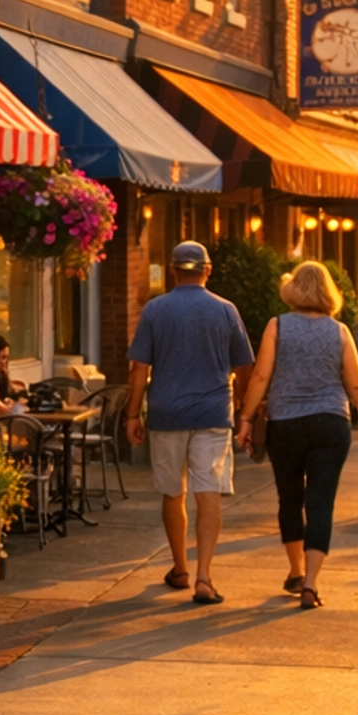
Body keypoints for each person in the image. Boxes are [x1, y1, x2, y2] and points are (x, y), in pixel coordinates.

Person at [238, 262, 358, 610]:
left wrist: (245, 418)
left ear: (293, 290)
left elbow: (260, 376)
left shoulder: (278, 326)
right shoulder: (340, 331)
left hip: (285, 424)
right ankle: (312, 585)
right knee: (321, 501)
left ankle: (295, 570)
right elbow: (356, 382)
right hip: (330, 423)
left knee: (290, 498)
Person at [124, 240, 254, 607]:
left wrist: (133, 413)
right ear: (207, 271)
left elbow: (139, 370)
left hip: (166, 413)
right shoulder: (226, 310)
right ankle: (204, 577)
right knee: (208, 490)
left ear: (172, 270)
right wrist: (247, 410)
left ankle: (180, 567)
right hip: (213, 414)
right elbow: (245, 367)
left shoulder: (155, 310)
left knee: (173, 491)